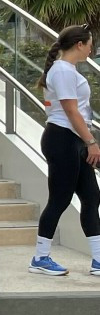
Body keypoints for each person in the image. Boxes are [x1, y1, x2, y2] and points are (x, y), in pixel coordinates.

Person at [31, 25, 100, 277]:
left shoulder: (66, 70)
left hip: (73, 140)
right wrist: (91, 141)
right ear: (79, 44)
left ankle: (99, 259)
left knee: (92, 196)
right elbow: (71, 111)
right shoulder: (61, 70)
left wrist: (84, 141)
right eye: (90, 43)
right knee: (59, 199)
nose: (92, 47)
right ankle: (40, 256)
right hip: (62, 139)